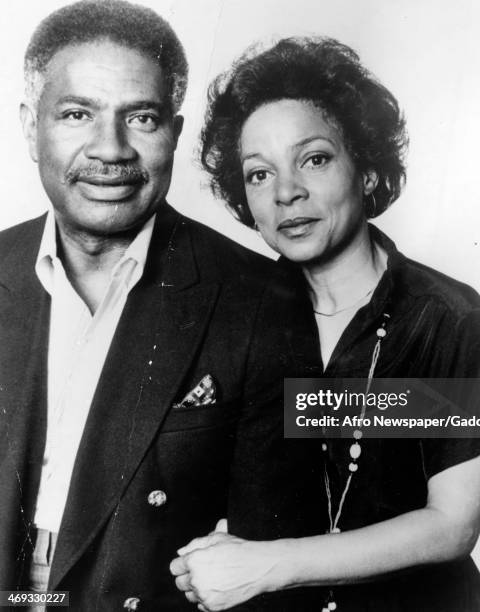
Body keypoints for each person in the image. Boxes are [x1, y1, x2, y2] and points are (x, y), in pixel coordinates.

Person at [170, 37, 480, 612]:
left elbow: (452, 526)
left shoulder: (451, 317)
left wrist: (269, 565)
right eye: (259, 174)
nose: (287, 191)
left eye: (314, 158)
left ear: (365, 170)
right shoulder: (231, 310)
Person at [0, 5, 324, 611]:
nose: (110, 149)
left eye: (141, 118)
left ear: (173, 133)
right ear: (29, 126)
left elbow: (272, 558)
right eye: (76, 114)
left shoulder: (260, 301)